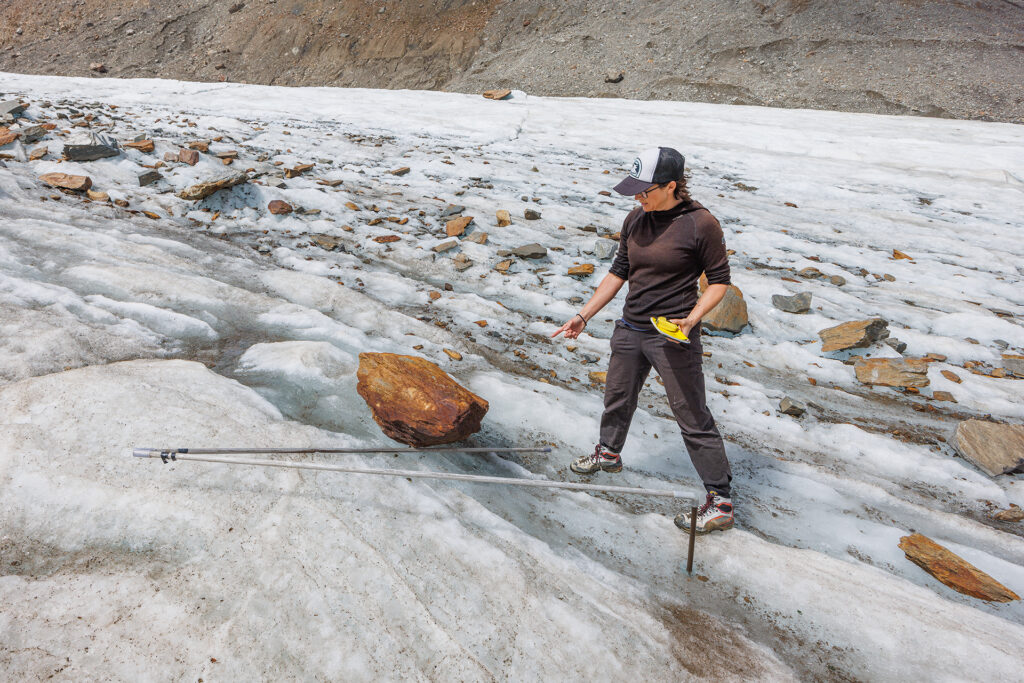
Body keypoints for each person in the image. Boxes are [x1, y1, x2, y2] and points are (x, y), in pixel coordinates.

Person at [551, 147, 734, 534]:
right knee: (617, 396)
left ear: (671, 185)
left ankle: (721, 502)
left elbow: (719, 283)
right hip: (631, 328)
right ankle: (609, 453)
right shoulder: (636, 217)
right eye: (634, 190)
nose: (637, 197)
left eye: (644, 190)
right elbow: (619, 272)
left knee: (692, 416)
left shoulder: (701, 224)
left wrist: (692, 320)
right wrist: (584, 315)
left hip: (672, 335)